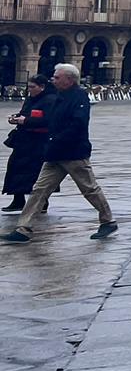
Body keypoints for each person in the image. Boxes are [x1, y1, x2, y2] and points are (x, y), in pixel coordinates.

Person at [3, 63, 117, 242]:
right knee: (39, 190)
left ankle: (108, 221)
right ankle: (23, 229)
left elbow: (78, 124)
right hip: (55, 153)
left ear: (69, 80)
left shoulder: (79, 97)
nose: (53, 79)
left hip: (73, 152)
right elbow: (49, 120)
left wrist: (56, 138)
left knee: (89, 189)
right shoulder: (58, 96)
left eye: (57, 77)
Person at [4, 75, 53, 212]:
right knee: (15, 168)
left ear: (42, 87)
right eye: (28, 87)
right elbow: (24, 113)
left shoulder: (49, 100)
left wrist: (25, 121)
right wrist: (16, 118)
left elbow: (48, 120)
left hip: (39, 142)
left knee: (36, 173)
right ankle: (18, 200)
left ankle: (42, 202)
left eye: (33, 87)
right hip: (24, 140)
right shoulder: (30, 99)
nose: (29, 90)